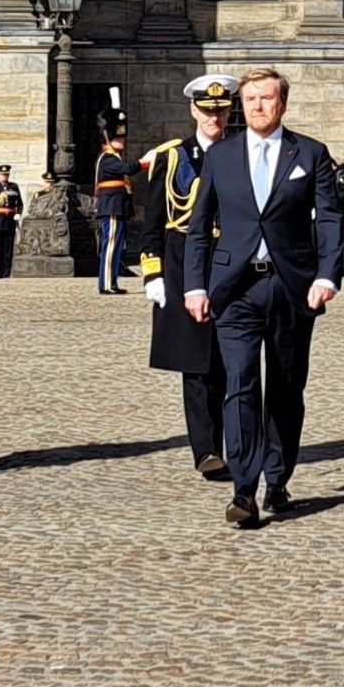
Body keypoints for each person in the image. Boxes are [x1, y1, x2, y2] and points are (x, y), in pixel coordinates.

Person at [183, 67, 343, 526]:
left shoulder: (309, 153)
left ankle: (278, 476)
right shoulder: (221, 156)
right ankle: (244, 488)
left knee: (287, 389)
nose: (257, 106)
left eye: (266, 98)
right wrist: (196, 284)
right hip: (234, 289)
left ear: (282, 104)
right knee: (241, 385)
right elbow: (199, 226)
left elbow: (330, 220)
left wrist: (327, 275)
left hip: (292, 286)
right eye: (250, 98)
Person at [139, 74, 238, 481]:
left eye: (220, 109)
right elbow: (153, 219)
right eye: (207, 110)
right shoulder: (173, 156)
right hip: (183, 260)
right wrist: (153, 272)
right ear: (193, 110)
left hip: (231, 260)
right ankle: (206, 449)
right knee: (196, 361)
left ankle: (238, 442)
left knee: (232, 358)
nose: (214, 116)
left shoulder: (241, 154)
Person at [94, 88, 140, 295]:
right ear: (108, 138)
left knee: (116, 245)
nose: (122, 141)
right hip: (111, 206)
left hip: (118, 206)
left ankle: (111, 282)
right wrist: (146, 162)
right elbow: (128, 169)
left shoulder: (114, 157)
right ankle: (106, 284)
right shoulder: (108, 159)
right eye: (118, 139)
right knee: (111, 245)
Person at [0, 165, 23, 279]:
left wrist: (18, 214)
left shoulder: (14, 187)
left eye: (6, 174)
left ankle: (7, 272)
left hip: (10, 221)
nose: (4, 176)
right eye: (2, 175)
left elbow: (19, 203)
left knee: (9, 249)